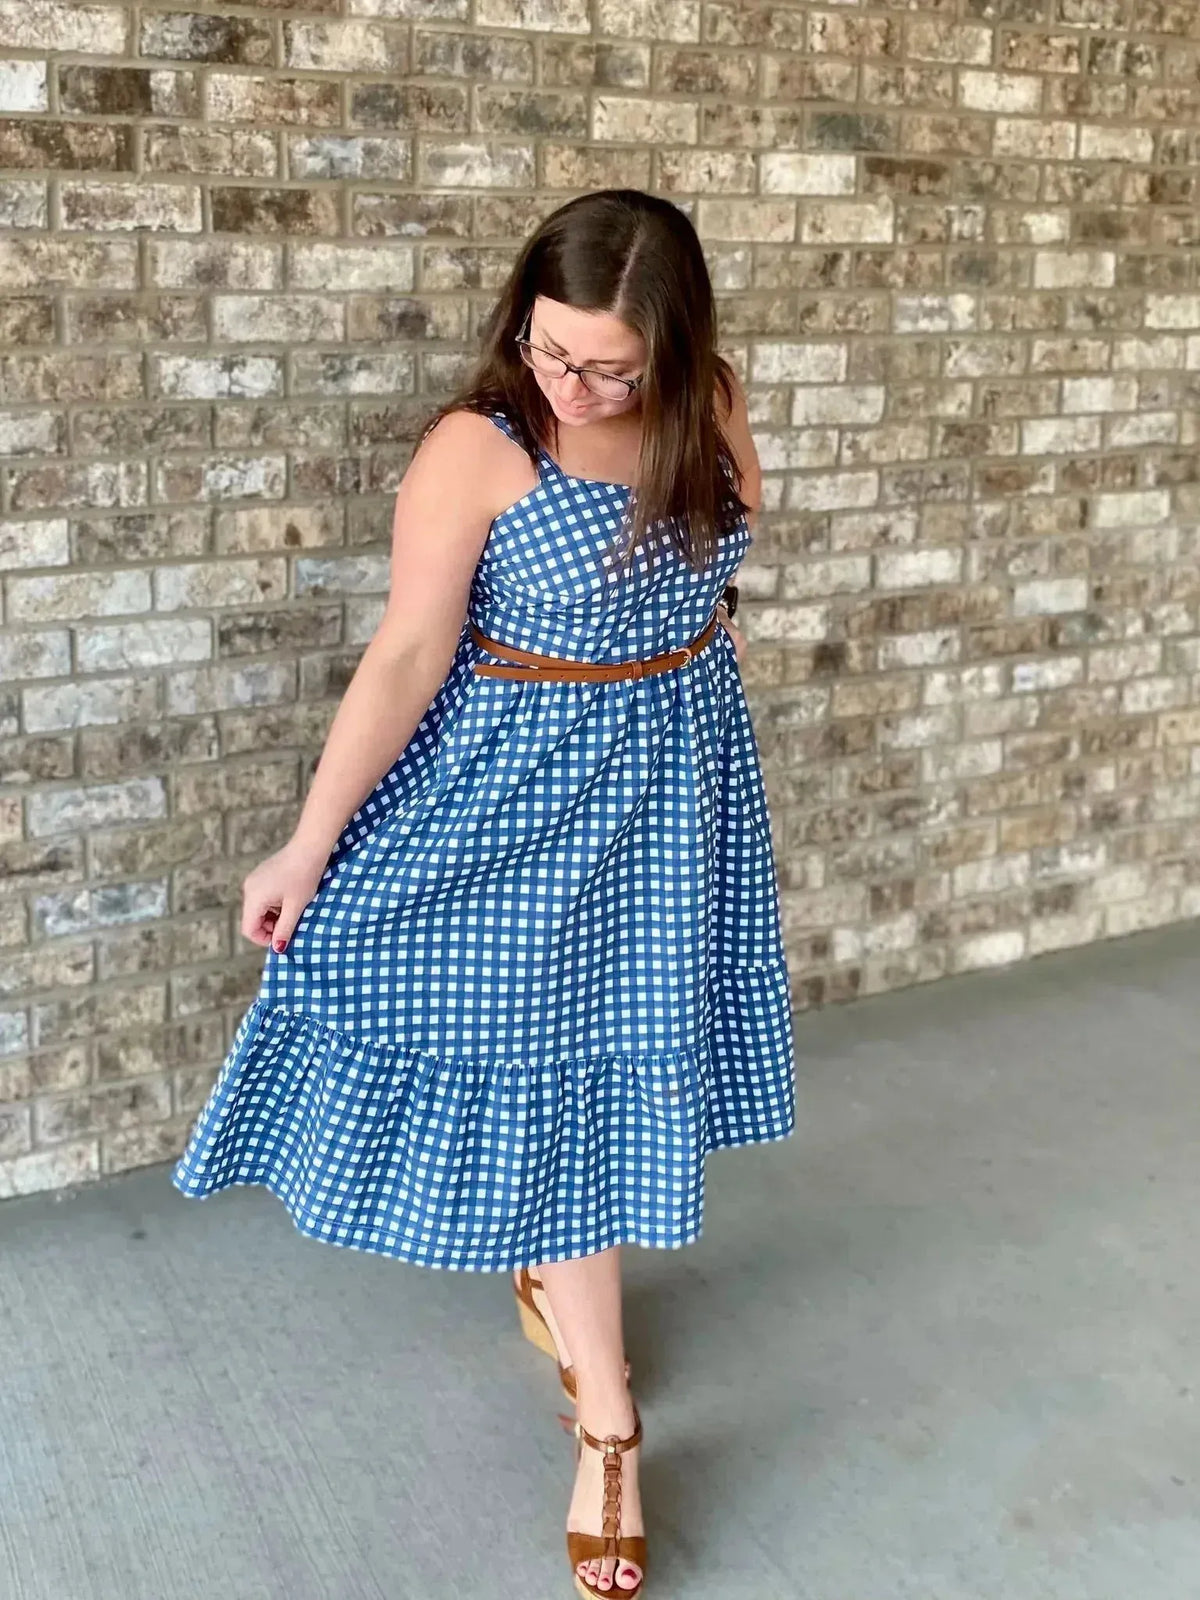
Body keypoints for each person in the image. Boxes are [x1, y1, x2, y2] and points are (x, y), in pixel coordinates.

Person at [172, 187, 796, 1598]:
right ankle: (611, 1423)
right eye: (550, 349)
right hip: (515, 811)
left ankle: (555, 1292)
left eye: (608, 368)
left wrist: (701, 673)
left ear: (678, 352)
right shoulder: (482, 443)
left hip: (672, 794)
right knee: (558, 1081)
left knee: (604, 1073)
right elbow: (405, 655)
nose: (571, 386)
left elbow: (721, 571)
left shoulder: (713, 407)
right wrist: (306, 843)